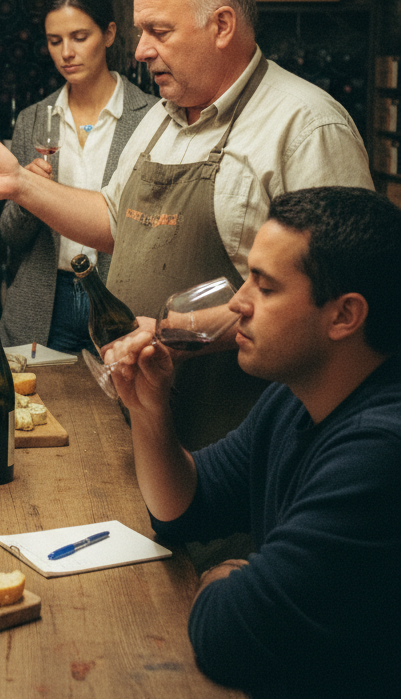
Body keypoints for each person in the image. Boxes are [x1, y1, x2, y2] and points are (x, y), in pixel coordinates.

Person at [0, 0, 373, 449]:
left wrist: (172, 332)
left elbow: (332, 293)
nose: (140, 51)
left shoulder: (305, 126)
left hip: (242, 426)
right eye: (141, 33)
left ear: (222, 25)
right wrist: (22, 186)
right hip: (149, 418)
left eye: (159, 32)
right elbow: (114, 220)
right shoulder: (164, 116)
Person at [106, 187, 400, 699]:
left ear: (344, 316)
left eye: (264, 288)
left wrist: (220, 579)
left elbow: (233, 633)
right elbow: (187, 509)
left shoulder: (378, 453)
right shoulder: (294, 398)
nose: (236, 304)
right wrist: (147, 408)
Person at [0, 0, 157, 351]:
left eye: (79, 37)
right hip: (44, 303)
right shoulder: (34, 120)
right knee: (35, 408)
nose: (66, 53)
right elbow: (11, 237)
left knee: (119, 408)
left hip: (120, 303)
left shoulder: (152, 117)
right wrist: (28, 193)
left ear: (109, 34)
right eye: (55, 41)